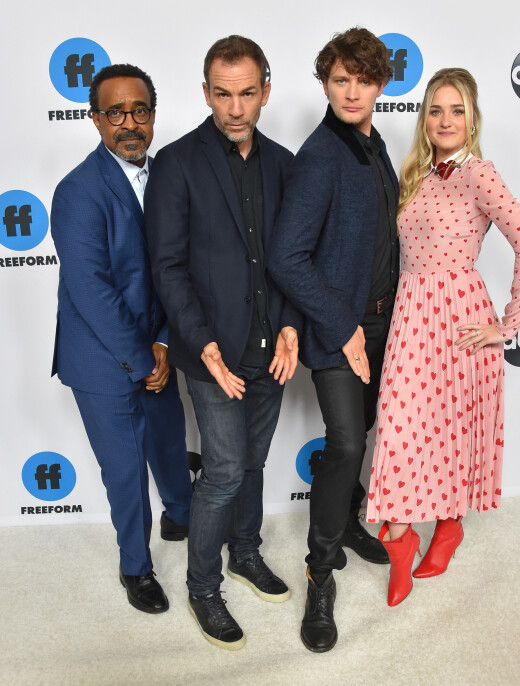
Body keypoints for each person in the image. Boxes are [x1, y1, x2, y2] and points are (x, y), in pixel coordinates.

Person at [367, 68, 520, 606]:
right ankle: (401, 544)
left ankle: (448, 528)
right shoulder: (415, 173)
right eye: (437, 110)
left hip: (460, 320)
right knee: (400, 429)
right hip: (410, 313)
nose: (446, 121)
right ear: (425, 118)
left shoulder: (480, 174)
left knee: (451, 429)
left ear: (472, 119)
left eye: (457, 110)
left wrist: (508, 325)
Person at [144, 36, 300, 651]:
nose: (235, 108)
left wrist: (289, 324)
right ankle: (203, 587)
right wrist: (203, 345)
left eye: (247, 93)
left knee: (253, 464)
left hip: (270, 349)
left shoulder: (285, 163)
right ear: (206, 92)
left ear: (266, 90)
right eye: (222, 93)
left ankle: (245, 553)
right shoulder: (177, 164)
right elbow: (168, 266)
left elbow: (290, 259)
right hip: (210, 355)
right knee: (225, 470)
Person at [268, 28, 398, 652]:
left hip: (382, 326)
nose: (351, 91)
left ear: (380, 84)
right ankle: (320, 574)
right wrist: (343, 326)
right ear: (325, 83)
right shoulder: (321, 154)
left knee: (364, 435)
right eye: (340, 80)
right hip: (337, 330)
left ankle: (347, 519)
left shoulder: (374, 147)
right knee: (346, 442)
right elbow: (286, 257)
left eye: (363, 80)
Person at [51, 64, 192, 614]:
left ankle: (180, 515)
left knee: (168, 439)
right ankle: (136, 567)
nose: (128, 123)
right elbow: (91, 290)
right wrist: (143, 356)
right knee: (126, 471)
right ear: (95, 119)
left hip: (156, 346)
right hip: (103, 360)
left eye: (139, 111)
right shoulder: (77, 191)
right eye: (115, 113)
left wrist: (161, 343)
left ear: (153, 116)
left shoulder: (166, 177)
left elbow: (170, 270)